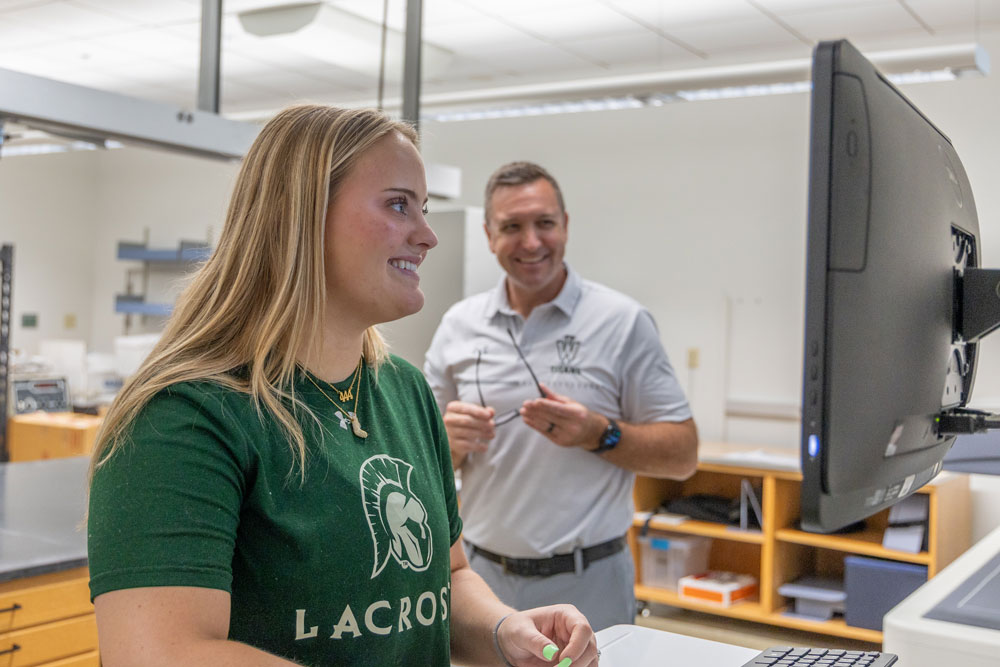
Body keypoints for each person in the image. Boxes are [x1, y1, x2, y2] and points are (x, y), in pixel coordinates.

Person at [87, 107, 599, 666]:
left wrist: (505, 632)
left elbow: (444, 580)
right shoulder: (185, 417)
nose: (427, 236)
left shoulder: (403, 392)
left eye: (423, 209)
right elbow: (160, 655)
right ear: (302, 215)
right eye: (398, 204)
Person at [424, 161, 699, 631]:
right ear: (489, 235)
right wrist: (447, 444)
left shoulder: (621, 321)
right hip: (480, 579)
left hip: (589, 581)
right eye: (511, 227)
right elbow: (425, 461)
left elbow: (683, 456)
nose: (530, 242)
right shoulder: (458, 325)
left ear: (565, 227)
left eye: (544, 224)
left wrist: (600, 434)